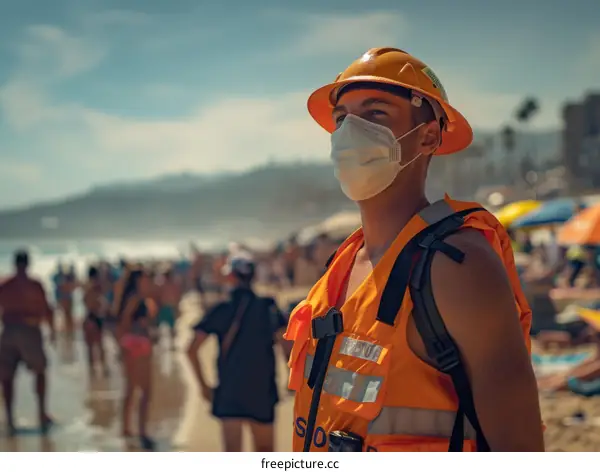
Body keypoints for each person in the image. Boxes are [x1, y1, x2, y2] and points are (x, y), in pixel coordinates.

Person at [284, 48, 544, 452]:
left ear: (427, 136)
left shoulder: (458, 265)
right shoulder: (343, 263)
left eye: (375, 114)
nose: (350, 131)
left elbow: (520, 444)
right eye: (342, 118)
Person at [186, 252, 291, 452]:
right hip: (262, 389)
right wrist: (290, 379)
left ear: (230, 277)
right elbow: (286, 345)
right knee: (265, 452)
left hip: (229, 391)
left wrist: (203, 386)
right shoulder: (268, 307)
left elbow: (191, 349)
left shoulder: (221, 308)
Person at [0, 250, 55, 435]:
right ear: (28, 264)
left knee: (7, 378)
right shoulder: (35, 284)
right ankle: (41, 414)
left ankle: (10, 419)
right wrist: (52, 330)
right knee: (40, 372)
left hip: (8, 330)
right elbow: (46, 308)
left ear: (14, 264)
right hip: (29, 330)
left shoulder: (5, 284)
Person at [117, 266, 158, 450]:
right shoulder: (136, 298)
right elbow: (124, 322)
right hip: (137, 344)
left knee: (132, 388)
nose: (148, 281)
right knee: (145, 390)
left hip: (132, 343)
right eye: (145, 279)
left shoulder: (136, 298)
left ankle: (126, 428)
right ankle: (141, 432)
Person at [83, 266, 109, 378]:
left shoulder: (86, 286)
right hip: (97, 317)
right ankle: (103, 367)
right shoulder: (98, 286)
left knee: (90, 346)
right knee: (99, 344)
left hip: (89, 316)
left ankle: (92, 370)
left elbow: (85, 301)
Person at [156, 268, 182, 350]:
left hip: (167, 307)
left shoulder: (164, 286)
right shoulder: (172, 286)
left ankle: (170, 343)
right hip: (168, 307)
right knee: (168, 326)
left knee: (167, 326)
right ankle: (170, 343)